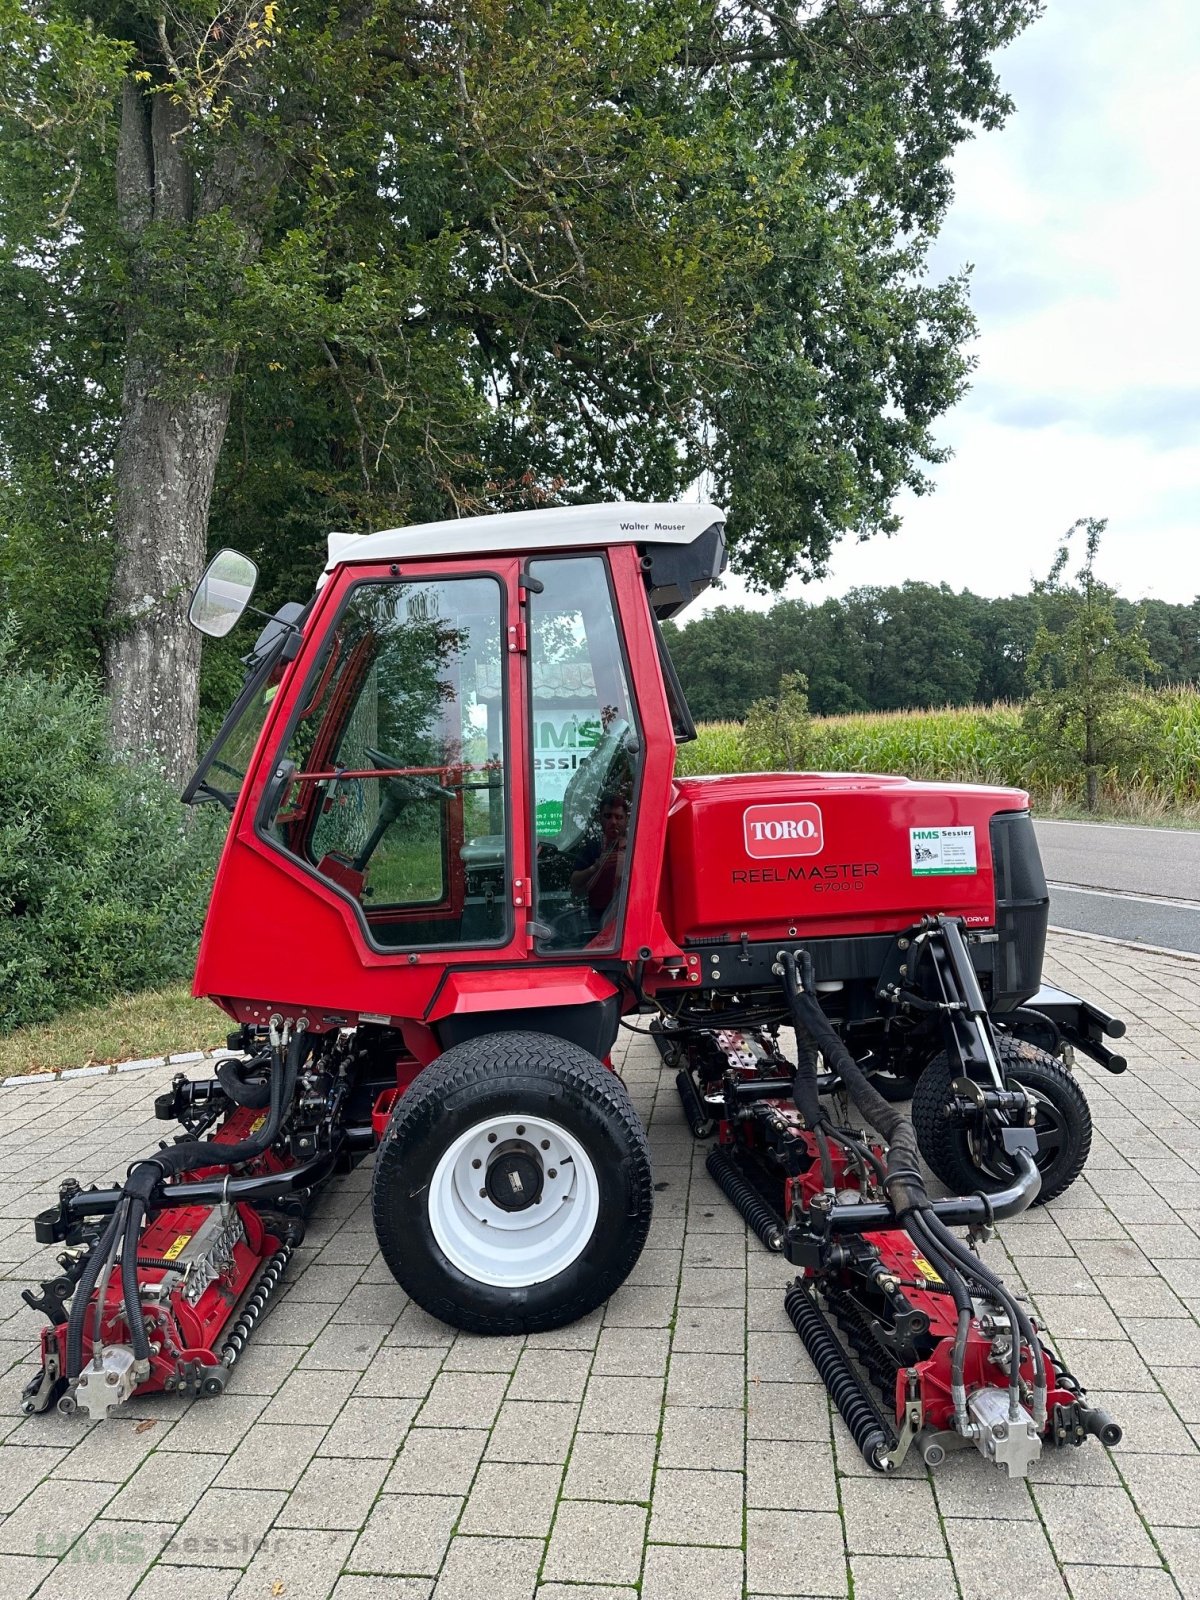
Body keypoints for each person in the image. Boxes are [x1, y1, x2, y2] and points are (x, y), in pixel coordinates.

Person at [569, 792, 629, 919]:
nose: (613, 822)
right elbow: (574, 885)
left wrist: (629, 866)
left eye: (619, 817)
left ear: (626, 820)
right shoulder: (592, 847)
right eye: (608, 816)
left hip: (628, 916)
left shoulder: (636, 847)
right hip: (596, 918)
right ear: (600, 818)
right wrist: (596, 867)